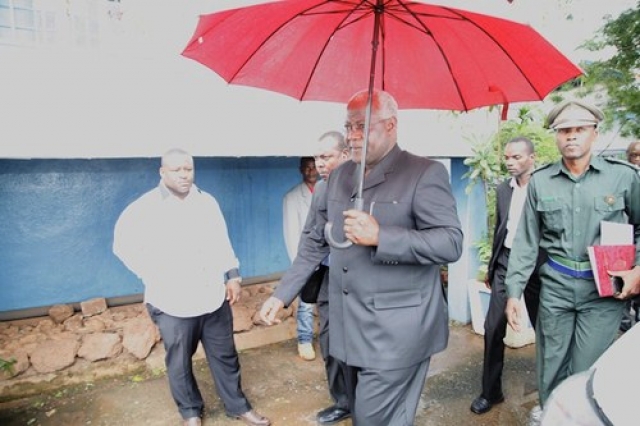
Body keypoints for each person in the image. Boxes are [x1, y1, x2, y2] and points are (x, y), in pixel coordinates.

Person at [260, 89, 463, 425]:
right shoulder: (338, 178)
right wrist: (282, 294)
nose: (352, 136)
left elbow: (450, 242)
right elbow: (313, 242)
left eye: (362, 127)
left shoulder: (423, 174)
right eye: (348, 127)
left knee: (371, 419)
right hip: (346, 328)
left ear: (392, 125)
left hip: (397, 333)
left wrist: (382, 236)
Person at [113, 149, 270, 426]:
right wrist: (151, 273)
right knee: (180, 363)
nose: (185, 175)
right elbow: (122, 246)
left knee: (225, 356)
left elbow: (222, 240)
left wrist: (232, 275)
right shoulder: (145, 207)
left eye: (189, 169)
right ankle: (191, 413)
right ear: (162, 172)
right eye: (177, 170)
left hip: (212, 296)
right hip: (172, 301)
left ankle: (238, 406)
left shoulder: (206, 202)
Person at [504, 100, 640, 418]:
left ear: (595, 133)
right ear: (556, 136)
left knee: (585, 368)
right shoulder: (542, 181)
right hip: (557, 287)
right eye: (565, 130)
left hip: (605, 290)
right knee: (549, 366)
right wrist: (513, 292)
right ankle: (552, 417)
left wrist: (637, 270)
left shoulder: (623, 177)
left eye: (580, 129)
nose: (572, 136)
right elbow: (525, 240)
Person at [470, 137, 543, 415]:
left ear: (532, 158)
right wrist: (491, 268)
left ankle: (551, 394)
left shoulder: (544, 188)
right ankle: (491, 392)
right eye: (508, 158)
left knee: (545, 330)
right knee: (492, 328)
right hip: (505, 263)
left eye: (517, 158)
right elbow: (499, 229)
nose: (511, 163)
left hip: (537, 265)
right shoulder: (503, 189)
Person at [307, 131, 352, 425]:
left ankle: (365, 400)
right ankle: (343, 401)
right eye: (317, 157)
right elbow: (311, 236)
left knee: (357, 343)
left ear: (345, 155)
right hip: (328, 276)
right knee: (329, 341)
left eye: (327, 156)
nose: (320, 163)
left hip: (358, 279)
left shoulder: (360, 187)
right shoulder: (321, 190)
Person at [283, 156, 319, 361]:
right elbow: (291, 234)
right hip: (306, 259)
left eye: (313, 168)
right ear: (300, 170)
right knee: (306, 302)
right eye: (306, 168)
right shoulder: (292, 198)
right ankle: (304, 340)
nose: (311, 171)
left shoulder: (328, 192)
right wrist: (299, 266)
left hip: (329, 257)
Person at [620, 140, 640, 332]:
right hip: (623, 245)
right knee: (623, 292)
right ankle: (624, 327)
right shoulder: (623, 178)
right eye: (634, 155)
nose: (637, 159)